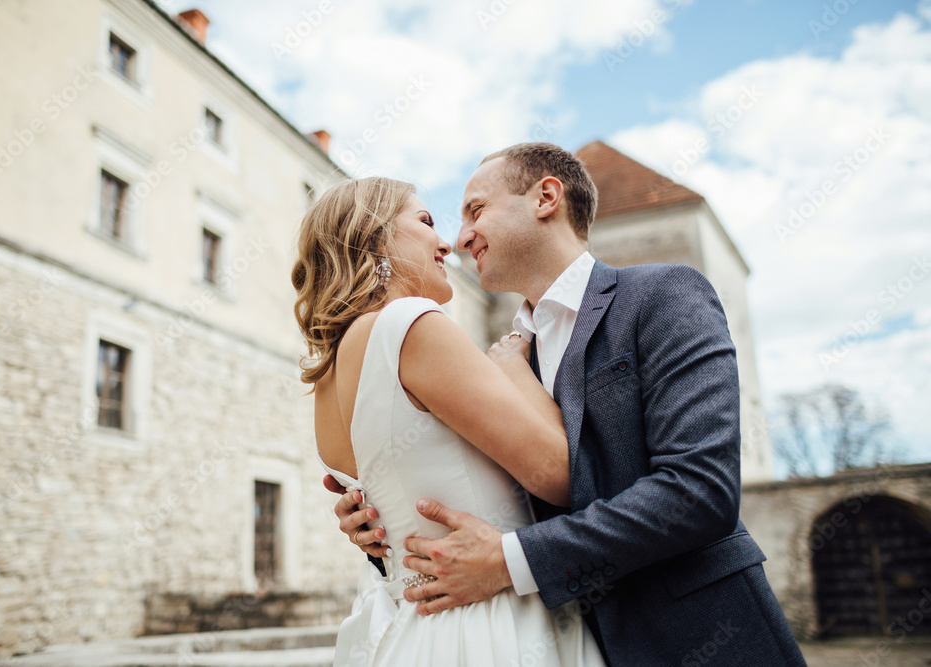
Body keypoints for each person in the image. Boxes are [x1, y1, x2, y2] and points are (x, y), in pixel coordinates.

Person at [329, 143, 808, 666]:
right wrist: (381, 521)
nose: (461, 238)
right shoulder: (487, 368)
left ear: (546, 198)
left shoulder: (664, 295)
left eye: (476, 210)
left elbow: (701, 491)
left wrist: (510, 561)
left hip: (697, 636)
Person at [292, 176, 604, 666]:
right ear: (374, 235)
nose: (445, 243)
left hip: (410, 628)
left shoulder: (328, 374)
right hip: (490, 626)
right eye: (425, 221)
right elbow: (563, 476)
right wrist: (512, 367)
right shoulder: (409, 322)